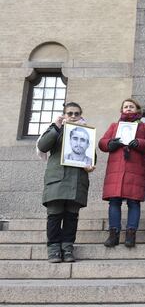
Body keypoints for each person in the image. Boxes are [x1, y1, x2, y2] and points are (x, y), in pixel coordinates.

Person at [37, 102, 95, 263]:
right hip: (57, 179)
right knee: (54, 216)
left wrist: (90, 166)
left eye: (77, 113)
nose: (73, 116)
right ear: (64, 115)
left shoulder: (87, 132)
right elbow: (42, 146)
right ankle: (54, 249)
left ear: (81, 114)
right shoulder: (56, 129)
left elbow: (92, 157)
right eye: (70, 113)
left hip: (77, 181)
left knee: (71, 217)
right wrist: (56, 127)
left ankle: (67, 248)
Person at [98, 98, 145, 248]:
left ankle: (131, 234)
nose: (128, 109)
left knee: (133, 202)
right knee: (114, 202)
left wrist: (139, 143)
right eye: (125, 107)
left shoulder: (143, 126)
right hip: (116, 170)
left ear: (137, 110)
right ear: (121, 110)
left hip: (135, 169)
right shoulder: (114, 126)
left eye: (131, 106)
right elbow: (102, 142)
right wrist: (110, 143)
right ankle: (114, 234)